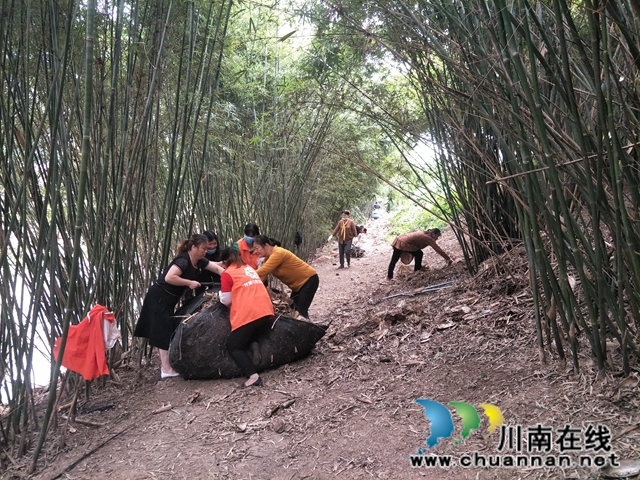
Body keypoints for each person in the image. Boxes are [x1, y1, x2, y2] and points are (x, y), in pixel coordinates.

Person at [134, 234, 224, 378]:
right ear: (194, 247)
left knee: (167, 327)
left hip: (170, 298)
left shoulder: (200, 261)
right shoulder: (183, 260)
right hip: (159, 296)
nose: (205, 251)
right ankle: (166, 369)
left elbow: (217, 269)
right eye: (203, 248)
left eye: (207, 249)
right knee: (161, 329)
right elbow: (170, 277)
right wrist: (189, 283)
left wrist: (231, 279)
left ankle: (168, 365)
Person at [218, 248, 275, 388]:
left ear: (224, 261)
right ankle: (253, 343)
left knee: (233, 344)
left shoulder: (227, 273)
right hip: (266, 311)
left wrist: (219, 294)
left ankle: (253, 376)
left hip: (250, 313)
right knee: (246, 335)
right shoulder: (247, 267)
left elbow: (226, 300)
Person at [253, 235, 319, 319]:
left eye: (257, 248)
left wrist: (245, 275)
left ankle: (310, 330)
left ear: (266, 245)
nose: (255, 251)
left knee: (301, 312)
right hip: (298, 286)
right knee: (293, 310)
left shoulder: (278, 253)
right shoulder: (267, 259)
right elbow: (262, 276)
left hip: (309, 280)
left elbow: (263, 271)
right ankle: (303, 328)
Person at [387, 228, 452, 280]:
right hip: (403, 243)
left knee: (394, 259)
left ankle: (389, 276)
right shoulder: (428, 238)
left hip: (400, 239)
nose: (437, 238)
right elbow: (438, 249)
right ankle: (417, 271)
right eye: (437, 236)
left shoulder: (426, 234)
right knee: (419, 254)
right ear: (433, 234)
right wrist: (447, 258)